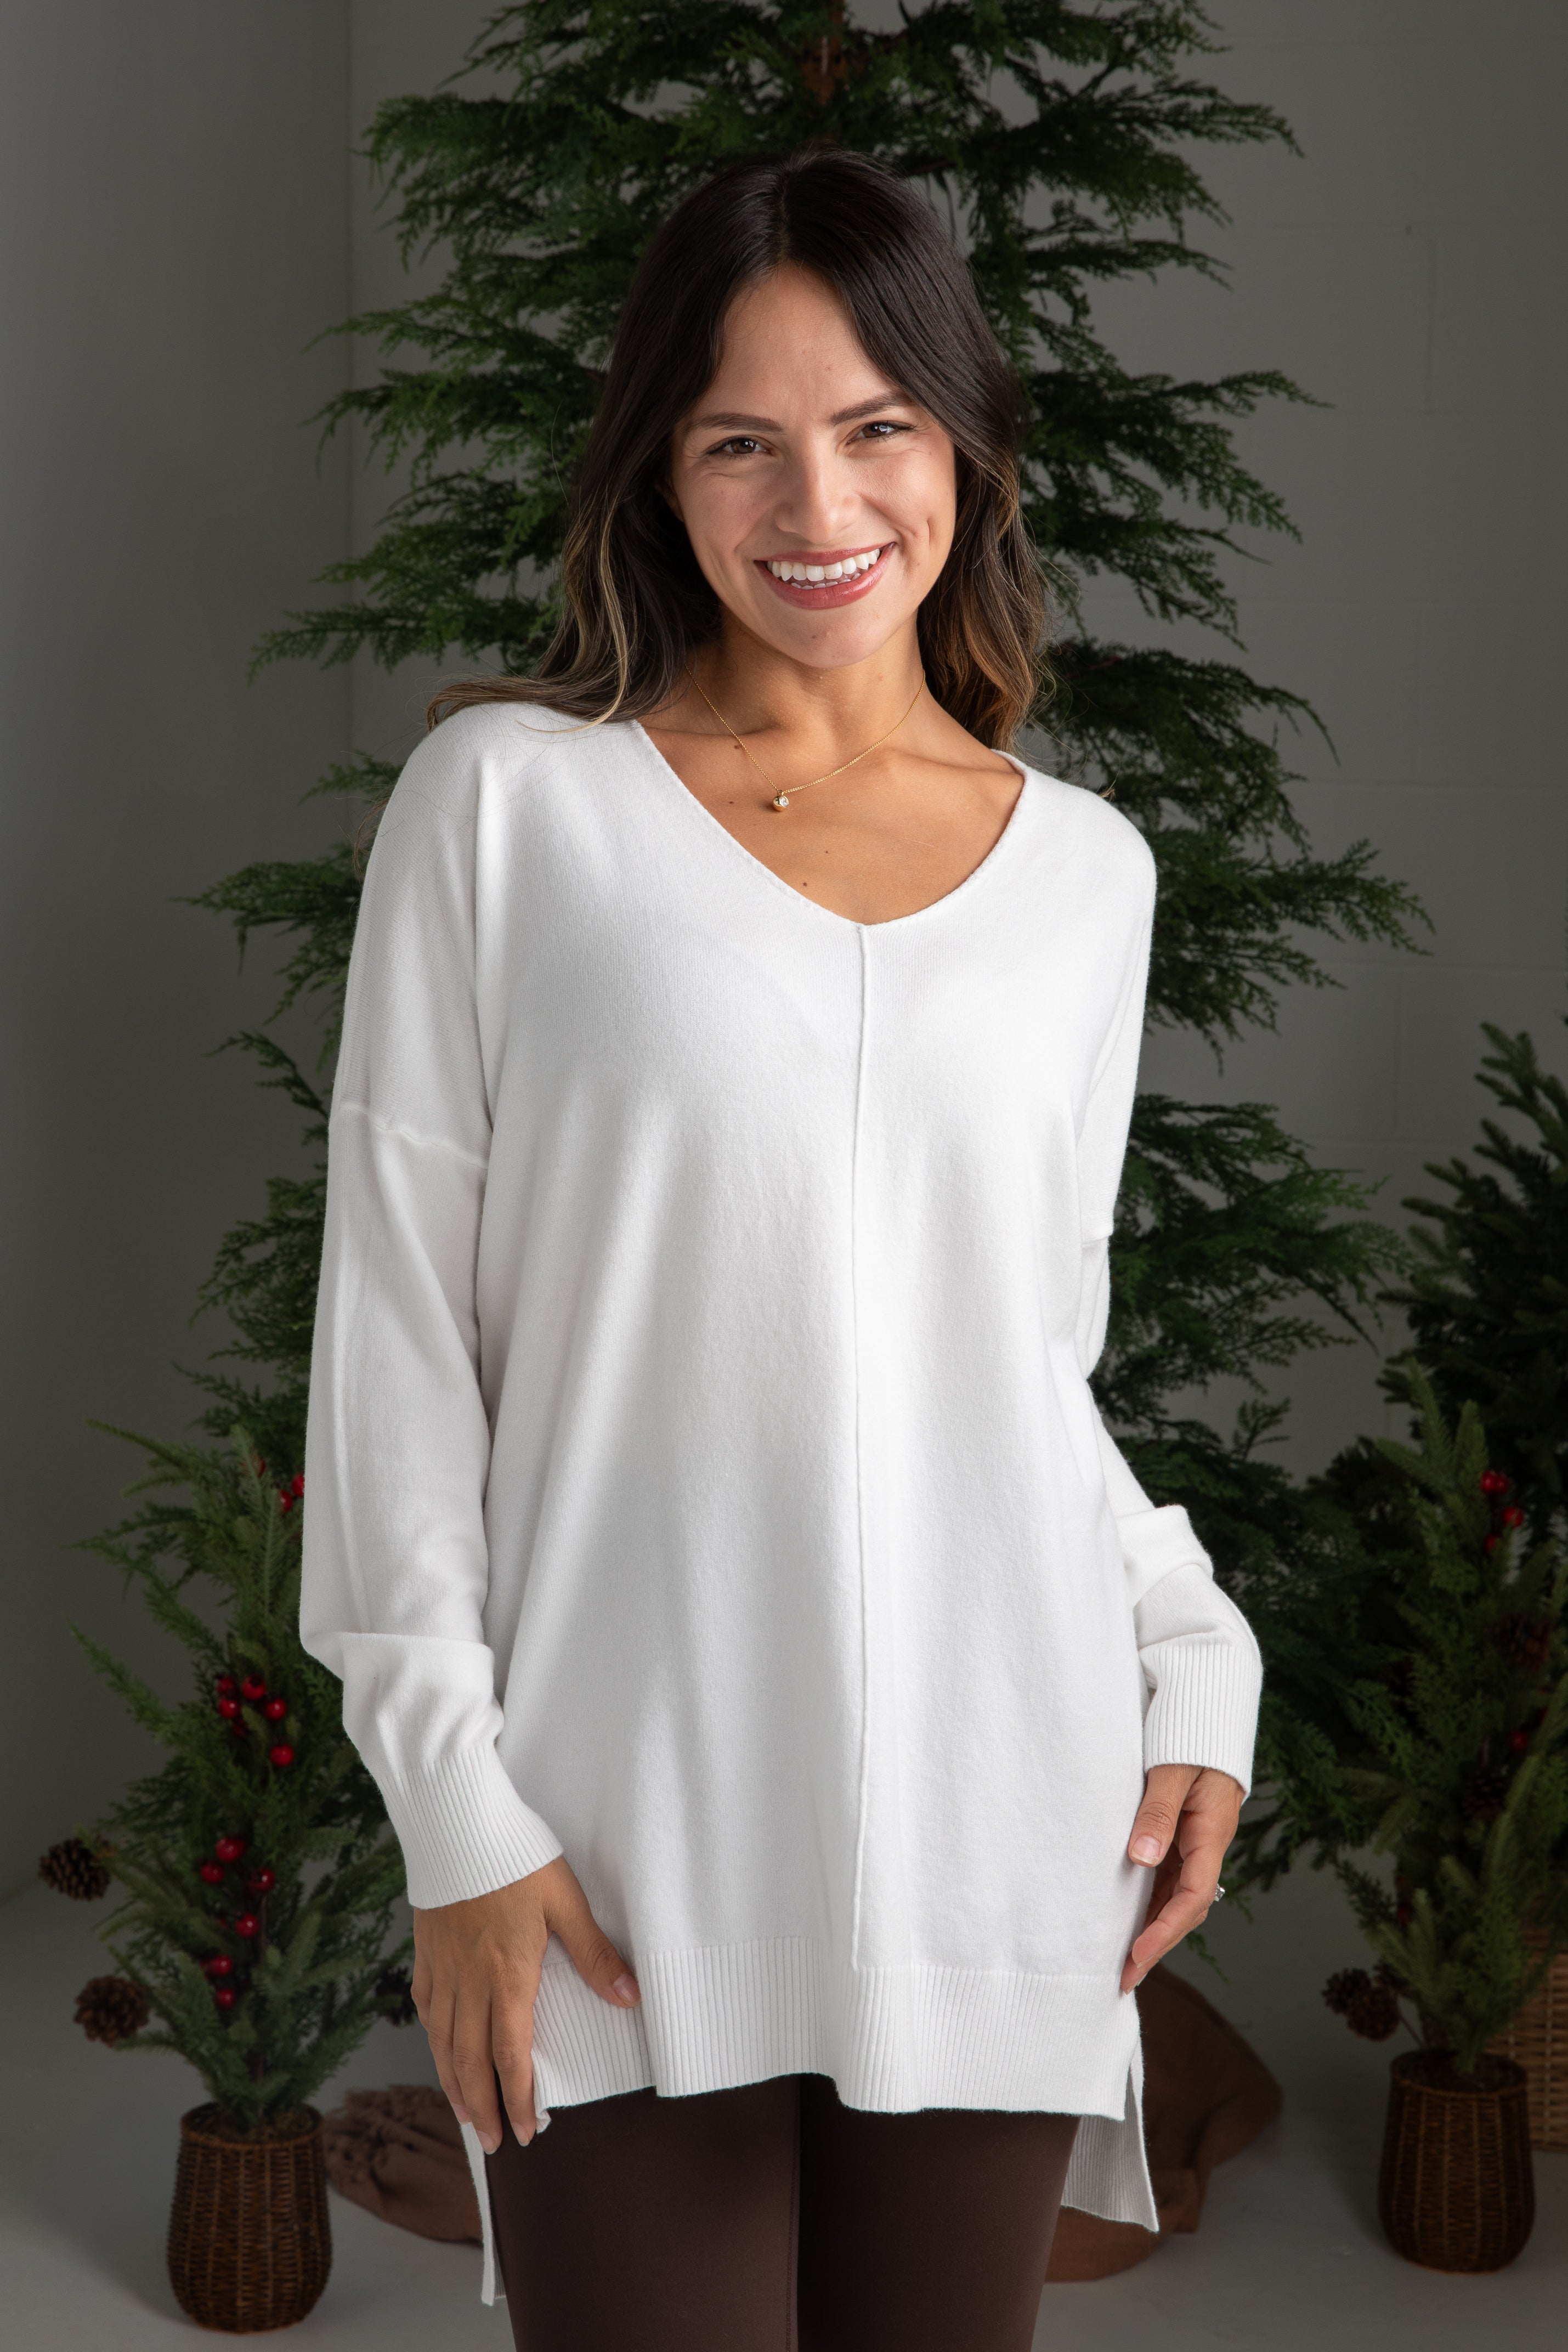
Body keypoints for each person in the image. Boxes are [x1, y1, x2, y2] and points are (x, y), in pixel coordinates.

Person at [300, 148, 1262, 2352]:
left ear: (967, 445)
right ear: (661, 468)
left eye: (874, 427)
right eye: (739, 438)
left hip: (992, 1831)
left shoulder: (1084, 878)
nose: (814, 503)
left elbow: (1017, 1372)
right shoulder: (511, 808)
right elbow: (395, 1337)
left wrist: (1194, 1651)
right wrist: (454, 1810)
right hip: (604, 1849)